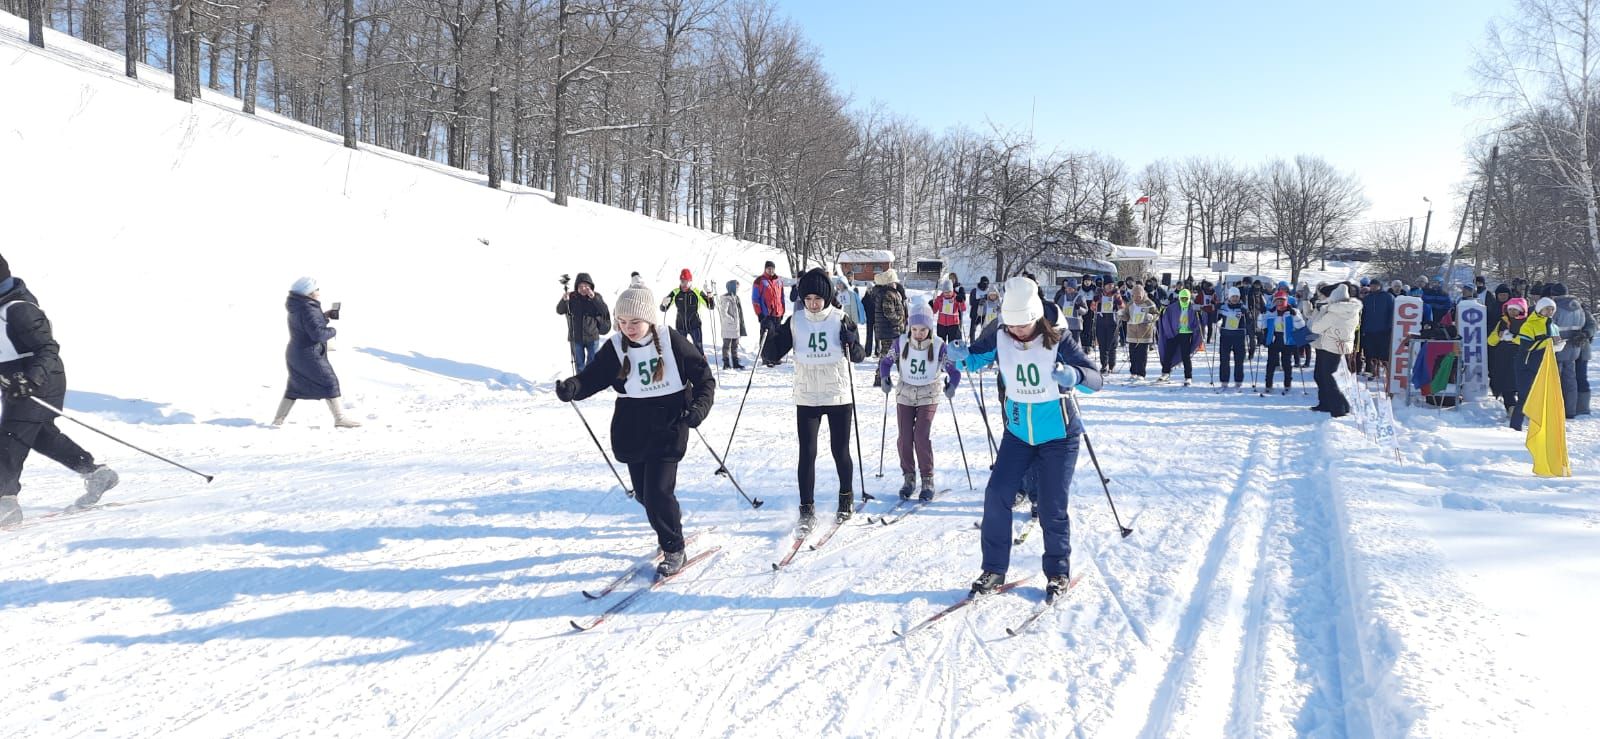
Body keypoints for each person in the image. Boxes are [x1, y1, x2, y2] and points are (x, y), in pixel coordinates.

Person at [947, 276, 1103, 599]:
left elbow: (1095, 380)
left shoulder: (1059, 339)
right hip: (1018, 433)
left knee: (1051, 504)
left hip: (1058, 436)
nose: (1016, 331)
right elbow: (975, 358)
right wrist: (960, 357)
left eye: (1023, 325)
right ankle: (993, 568)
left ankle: (1058, 571)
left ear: (1036, 317)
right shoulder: (1001, 333)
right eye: (1011, 324)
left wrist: (1073, 376)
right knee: (997, 494)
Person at [554, 281, 714, 577]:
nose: (628, 327)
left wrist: (698, 409)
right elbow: (592, 378)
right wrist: (572, 388)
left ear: (650, 319)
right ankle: (668, 519)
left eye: (635, 321)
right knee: (644, 494)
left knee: (656, 493)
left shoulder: (671, 340)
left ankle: (674, 546)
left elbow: (704, 379)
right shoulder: (616, 346)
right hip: (633, 427)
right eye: (622, 321)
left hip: (669, 425)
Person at [0, 257, 118, 526]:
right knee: (39, 435)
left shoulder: (19, 309)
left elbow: (48, 349)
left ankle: (5, 503)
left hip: (41, 379)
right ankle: (95, 473)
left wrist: (30, 378)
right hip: (17, 382)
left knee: (10, 436)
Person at [761, 268, 867, 532]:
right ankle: (806, 508)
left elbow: (858, 356)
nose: (813, 303)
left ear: (827, 296)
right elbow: (772, 356)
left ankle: (846, 499)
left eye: (817, 298)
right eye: (807, 298)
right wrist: (770, 334)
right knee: (806, 453)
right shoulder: (796, 321)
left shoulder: (841, 319)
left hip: (837, 394)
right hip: (807, 394)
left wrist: (852, 342)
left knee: (839, 450)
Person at [878, 302, 961, 501]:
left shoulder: (939, 345)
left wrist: (952, 385)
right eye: (914, 329)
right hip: (905, 393)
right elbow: (886, 361)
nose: (918, 333)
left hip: (928, 393)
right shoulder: (901, 342)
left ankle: (927, 478)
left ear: (929, 328)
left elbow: (953, 369)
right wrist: (884, 377)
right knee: (905, 438)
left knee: (921, 437)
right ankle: (909, 477)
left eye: (923, 329)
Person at [275, 277, 361, 428]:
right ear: (308, 292)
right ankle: (340, 419)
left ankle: (278, 420)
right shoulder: (308, 308)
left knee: (294, 387)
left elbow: (307, 326)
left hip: (296, 353)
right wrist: (332, 331)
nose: (318, 292)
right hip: (309, 354)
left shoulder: (298, 305)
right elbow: (318, 335)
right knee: (330, 383)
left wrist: (324, 317)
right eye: (316, 289)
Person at [1307, 283, 1362, 416]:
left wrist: (1323, 311)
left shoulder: (1334, 313)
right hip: (1343, 345)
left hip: (1330, 346)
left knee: (1329, 379)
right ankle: (1336, 405)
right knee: (1331, 377)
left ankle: (1338, 408)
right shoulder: (1353, 311)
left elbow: (1315, 327)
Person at [1510, 297, 1563, 430]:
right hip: (1526, 365)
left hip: (1545, 365)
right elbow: (1526, 346)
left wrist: (1558, 344)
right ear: (1540, 309)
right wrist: (1549, 341)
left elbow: (1551, 345)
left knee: (1545, 397)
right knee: (1524, 397)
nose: (1550, 312)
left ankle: (1543, 427)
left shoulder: (1553, 326)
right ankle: (1515, 427)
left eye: (1552, 309)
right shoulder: (1529, 325)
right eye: (1547, 309)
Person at [1549, 284, 1591, 418]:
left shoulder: (1555, 307)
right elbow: (1585, 324)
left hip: (1558, 345)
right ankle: (1571, 410)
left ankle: (1557, 410)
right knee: (1571, 379)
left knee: (1556, 380)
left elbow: (1550, 326)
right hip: (1575, 347)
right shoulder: (1578, 307)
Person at [556, 272, 611, 372]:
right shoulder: (572, 297)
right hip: (576, 338)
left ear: (590, 286)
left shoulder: (596, 296)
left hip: (592, 337)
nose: (583, 288)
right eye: (580, 286)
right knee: (579, 365)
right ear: (576, 287)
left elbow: (604, 310)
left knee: (593, 363)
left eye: (586, 286)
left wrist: (594, 298)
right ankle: (580, 385)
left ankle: (591, 383)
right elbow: (559, 310)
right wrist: (564, 301)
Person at [1156, 288, 1206, 384]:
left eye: (1185, 298)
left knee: (1185, 355)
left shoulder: (1192, 307)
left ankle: (1188, 376)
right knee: (1168, 353)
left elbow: (1202, 319)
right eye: (1182, 298)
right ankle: (1165, 373)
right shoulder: (1173, 307)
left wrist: (1200, 312)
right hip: (1174, 333)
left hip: (1186, 334)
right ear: (1179, 298)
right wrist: (1163, 307)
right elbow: (1163, 314)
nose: (1184, 300)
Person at [1488, 297, 1528, 417]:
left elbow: (1528, 339)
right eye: (1510, 309)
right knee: (1505, 384)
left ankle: (1523, 407)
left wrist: (1513, 338)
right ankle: (1510, 407)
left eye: (1515, 309)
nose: (1512, 312)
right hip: (1502, 356)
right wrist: (1499, 337)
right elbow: (1490, 341)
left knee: (1520, 384)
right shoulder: (1502, 322)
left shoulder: (1527, 323)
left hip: (1520, 356)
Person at [659, 269, 714, 355]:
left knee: (698, 348)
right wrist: (663, 303)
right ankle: (682, 367)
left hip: (695, 326)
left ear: (690, 281)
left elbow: (711, 306)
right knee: (680, 350)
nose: (684, 284)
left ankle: (700, 366)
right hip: (681, 327)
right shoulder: (675, 292)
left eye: (686, 282)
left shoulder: (697, 292)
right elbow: (663, 309)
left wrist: (709, 294)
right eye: (682, 281)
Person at [869, 269, 907, 385]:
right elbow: (889, 312)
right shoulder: (888, 294)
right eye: (894, 282)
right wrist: (900, 320)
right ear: (890, 283)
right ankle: (880, 377)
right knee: (888, 355)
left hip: (889, 330)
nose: (896, 284)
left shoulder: (887, 293)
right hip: (890, 330)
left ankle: (904, 377)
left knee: (896, 354)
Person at [1261, 291, 1302, 394]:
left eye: (1282, 300)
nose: (1279, 303)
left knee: (1286, 364)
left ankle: (1287, 384)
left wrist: (1295, 316)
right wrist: (1261, 315)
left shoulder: (1293, 311)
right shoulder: (1271, 312)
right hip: (1274, 340)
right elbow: (1261, 326)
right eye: (1277, 301)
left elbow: (1300, 326)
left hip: (1287, 341)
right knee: (1271, 363)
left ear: (1286, 300)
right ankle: (1268, 384)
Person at [1120, 285, 1159, 379]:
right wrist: (1121, 315)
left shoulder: (1149, 303)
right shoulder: (1130, 304)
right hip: (1132, 332)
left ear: (1142, 295)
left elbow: (1157, 314)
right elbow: (1126, 316)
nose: (1136, 299)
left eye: (1139, 297)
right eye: (1134, 296)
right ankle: (1133, 372)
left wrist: (1152, 317)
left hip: (1144, 333)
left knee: (1142, 355)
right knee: (1133, 354)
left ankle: (1141, 373)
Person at [1360, 279, 1396, 378]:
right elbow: (1363, 315)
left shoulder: (1388, 297)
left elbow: (1392, 312)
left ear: (1380, 285)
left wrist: (1390, 326)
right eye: (1372, 285)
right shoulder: (1367, 299)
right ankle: (1371, 372)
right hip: (1369, 330)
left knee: (1384, 353)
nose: (1373, 287)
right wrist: (1364, 328)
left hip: (1384, 330)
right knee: (1370, 352)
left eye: (1375, 285)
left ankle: (1388, 373)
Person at [1216, 287, 1250, 389]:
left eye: (1236, 296)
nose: (1235, 298)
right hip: (1226, 335)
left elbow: (1249, 321)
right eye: (1233, 296)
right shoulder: (1224, 307)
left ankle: (1238, 381)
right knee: (1224, 359)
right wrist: (1216, 310)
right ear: (1229, 297)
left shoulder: (1243, 307)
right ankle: (1224, 381)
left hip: (1238, 336)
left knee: (1239, 360)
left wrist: (1247, 313)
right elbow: (1215, 319)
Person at [752, 261, 787, 356]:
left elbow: (782, 297)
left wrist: (783, 310)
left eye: (772, 268)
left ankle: (775, 356)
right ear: (765, 269)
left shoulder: (779, 280)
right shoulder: (759, 281)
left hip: (778, 313)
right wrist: (759, 313)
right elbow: (755, 299)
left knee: (777, 336)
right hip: (766, 314)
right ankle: (765, 357)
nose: (771, 270)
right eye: (769, 268)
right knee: (767, 336)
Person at [1091, 283, 1123, 373]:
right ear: (1104, 286)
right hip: (1101, 323)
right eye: (1108, 285)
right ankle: (1104, 365)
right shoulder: (1099, 294)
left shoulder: (1116, 294)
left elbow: (1122, 307)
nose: (1110, 287)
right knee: (1102, 345)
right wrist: (1096, 301)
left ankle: (1111, 365)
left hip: (1112, 323)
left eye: (1112, 285)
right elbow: (1092, 308)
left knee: (1112, 344)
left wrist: (1119, 303)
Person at [717, 280, 747, 370]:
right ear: (732, 287)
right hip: (728, 326)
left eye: (738, 287)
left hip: (735, 327)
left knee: (735, 345)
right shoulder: (727, 299)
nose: (737, 289)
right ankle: (726, 363)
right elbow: (723, 312)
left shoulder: (736, 298)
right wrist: (732, 320)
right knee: (726, 345)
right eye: (736, 287)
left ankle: (735, 362)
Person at [930, 279, 966, 344]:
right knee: (940, 343)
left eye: (949, 292)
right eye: (945, 292)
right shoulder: (939, 299)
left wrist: (961, 301)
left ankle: (952, 354)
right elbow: (934, 310)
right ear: (943, 292)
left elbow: (963, 309)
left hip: (953, 325)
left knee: (953, 343)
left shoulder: (956, 298)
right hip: (941, 324)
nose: (947, 294)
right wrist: (931, 306)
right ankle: (942, 353)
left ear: (952, 291)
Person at [969, 277, 991, 341]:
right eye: (984, 283)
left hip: (985, 314)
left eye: (987, 284)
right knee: (972, 330)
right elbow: (971, 302)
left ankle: (983, 344)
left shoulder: (989, 291)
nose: (986, 286)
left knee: (985, 331)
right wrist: (981, 300)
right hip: (975, 314)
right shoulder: (975, 290)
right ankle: (972, 343)